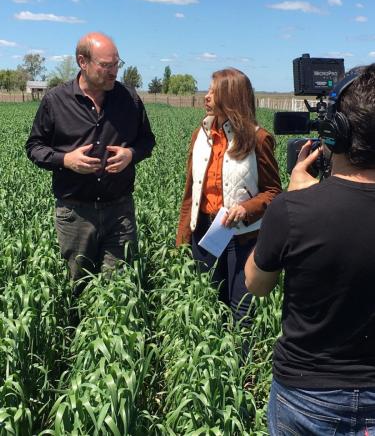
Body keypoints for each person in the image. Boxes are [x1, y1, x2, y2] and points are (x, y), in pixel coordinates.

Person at [245, 64, 375, 435]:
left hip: (307, 396)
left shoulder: (292, 209)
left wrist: (296, 200)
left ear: (335, 133)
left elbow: (256, 283)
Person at [26, 32, 155, 292]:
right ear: (82, 62)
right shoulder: (56, 100)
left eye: (117, 64)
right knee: (77, 286)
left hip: (119, 212)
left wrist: (131, 155)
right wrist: (65, 159)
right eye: (106, 66)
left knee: (118, 290)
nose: (114, 72)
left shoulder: (129, 100)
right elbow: (34, 147)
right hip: (75, 213)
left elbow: (147, 141)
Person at [176, 67, 281, 327]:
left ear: (232, 97)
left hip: (243, 238)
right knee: (210, 305)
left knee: (241, 311)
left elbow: (274, 192)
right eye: (208, 90)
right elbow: (191, 189)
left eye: (214, 91)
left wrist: (246, 209)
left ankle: (240, 366)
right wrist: (183, 235)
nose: (207, 96)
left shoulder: (258, 138)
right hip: (206, 233)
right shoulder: (200, 134)